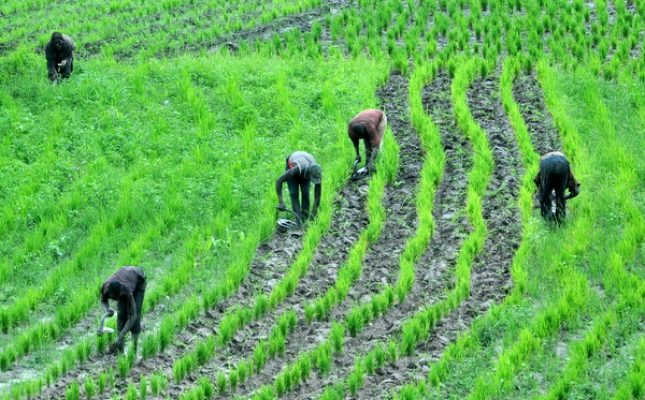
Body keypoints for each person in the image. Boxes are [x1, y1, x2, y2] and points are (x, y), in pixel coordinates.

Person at [100, 266, 146, 354]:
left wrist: (121, 335)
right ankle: (120, 349)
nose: (118, 299)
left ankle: (133, 350)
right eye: (115, 297)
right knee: (121, 315)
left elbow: (133, 316)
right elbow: (104, 301)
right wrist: (107, 310)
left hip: (139, 279)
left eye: (119, 296)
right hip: (126, 275)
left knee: (135, 319)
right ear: (110, 293)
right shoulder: (105, 288)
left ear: (121, 291)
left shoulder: (126, 290)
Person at [276, 151, 322, 226]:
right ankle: (298, 222)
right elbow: (279, 181)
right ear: (308, 175)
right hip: (294, 165)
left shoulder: (316, 172)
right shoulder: (296, 169)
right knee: (293, 193)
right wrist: (281, 201)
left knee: (305, 192)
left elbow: (317, 196)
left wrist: (313, 215)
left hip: (305, 162)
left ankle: (305, 218)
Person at [533, 151, 580, 223]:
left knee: (545, 195)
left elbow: (538, 182)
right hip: (563, 164)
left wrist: (547, 195)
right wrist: (564, 197)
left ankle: (546, 218)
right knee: (560, 196)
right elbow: (575, 189)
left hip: (547, 164)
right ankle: (560, 219)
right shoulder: (566, 164)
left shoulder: (543, 160)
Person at [347, 109, 387, 176]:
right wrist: (357, 155)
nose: (364, 138)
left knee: (375, 144)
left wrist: (371, 162)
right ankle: (367, 165)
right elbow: (355, 144)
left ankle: (374, 164)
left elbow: (376, 146)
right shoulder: (351, 130)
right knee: (367, 144)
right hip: (367, 116)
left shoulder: (369, 126)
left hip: (380, 118)